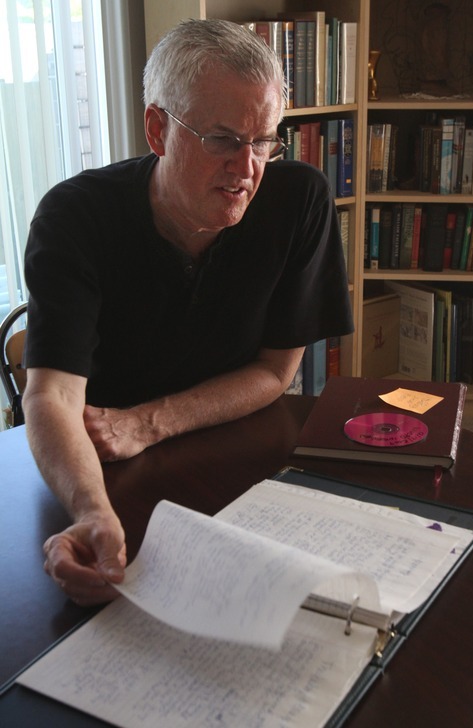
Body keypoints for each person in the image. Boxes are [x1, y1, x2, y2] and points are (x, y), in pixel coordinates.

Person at [22, 18, 353, 606]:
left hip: (234, 459)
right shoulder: (75, 218)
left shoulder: (299, 199)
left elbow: (276, 373)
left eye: (263, 140)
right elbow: (52, 396)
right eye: (223, 139)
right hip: (103, 470)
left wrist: (148, 422)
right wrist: (93, 511)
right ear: (157, 129)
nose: (247, 168)